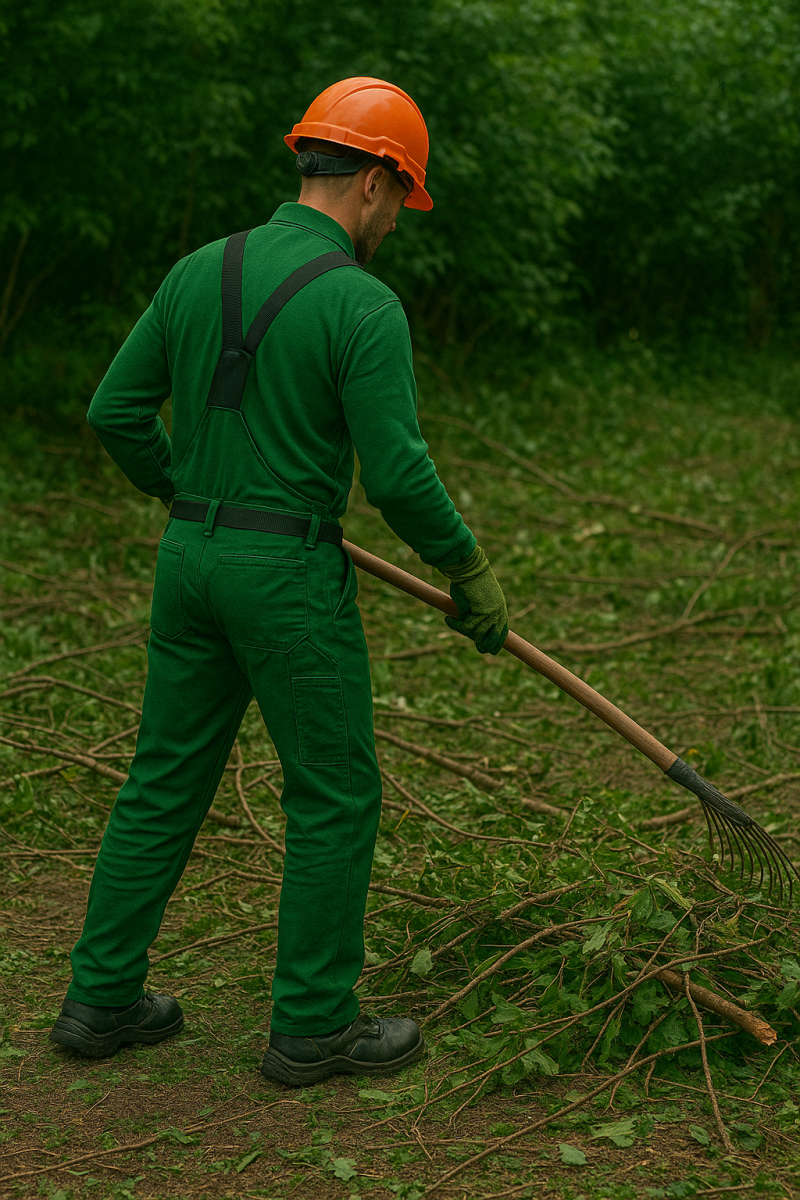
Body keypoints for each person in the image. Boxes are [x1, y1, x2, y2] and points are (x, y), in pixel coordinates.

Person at [49, 77, 509, 1086]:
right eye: (402, 199)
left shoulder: (196, 272)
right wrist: (466, 566)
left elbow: (115, 412)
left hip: (190, 561)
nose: (396, 221)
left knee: (162, 779)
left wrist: (190, 493)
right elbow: (392, 472)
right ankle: (310, 1025)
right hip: (287, 576)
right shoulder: (359, 302)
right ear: (377, 183)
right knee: (335, 792)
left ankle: (100, 1000)